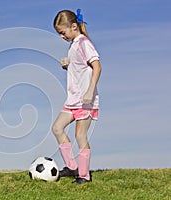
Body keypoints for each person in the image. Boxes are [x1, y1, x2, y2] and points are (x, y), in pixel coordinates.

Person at [52, 9, 101, 184]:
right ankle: (72, 167)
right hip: (73, 100)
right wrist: (67, 65)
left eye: (62, 33)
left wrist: (90, 91)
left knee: (80, 135)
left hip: (85, 100)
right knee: (57, 128)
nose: (62, 36)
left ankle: (84, 176)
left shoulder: (84, 43)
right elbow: (81, 69)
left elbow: (97, 67)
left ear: (74, 26)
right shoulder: (73, 45)